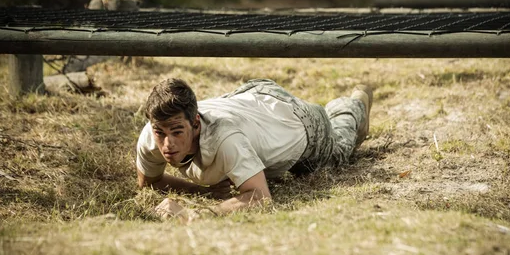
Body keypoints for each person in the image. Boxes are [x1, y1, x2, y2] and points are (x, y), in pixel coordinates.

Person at [136, 78, 372, 221]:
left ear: (195, 123)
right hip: (251, 96)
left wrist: (194, 215)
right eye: (161, 133)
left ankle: (352, 104)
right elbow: (149, 182)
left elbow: (261, 198)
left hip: (302, 123)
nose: (167, 144)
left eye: (177, 132)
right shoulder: (150, 134)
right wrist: (203, 190)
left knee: (338, 151)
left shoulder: (226, 139)